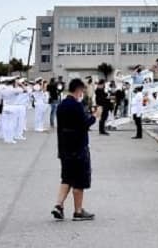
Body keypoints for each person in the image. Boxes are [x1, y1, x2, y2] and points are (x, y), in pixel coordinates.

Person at [52, 78, 97, 222]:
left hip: (64, 147)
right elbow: (84, 124)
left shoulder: (62, 106)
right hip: (78, 147)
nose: (82, 93)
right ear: (78, 90)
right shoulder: (76, 106)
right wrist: (94, 117)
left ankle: (58, 204)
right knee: (79, 181)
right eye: (82, 91)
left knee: (66, 177)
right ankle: (78, 211)